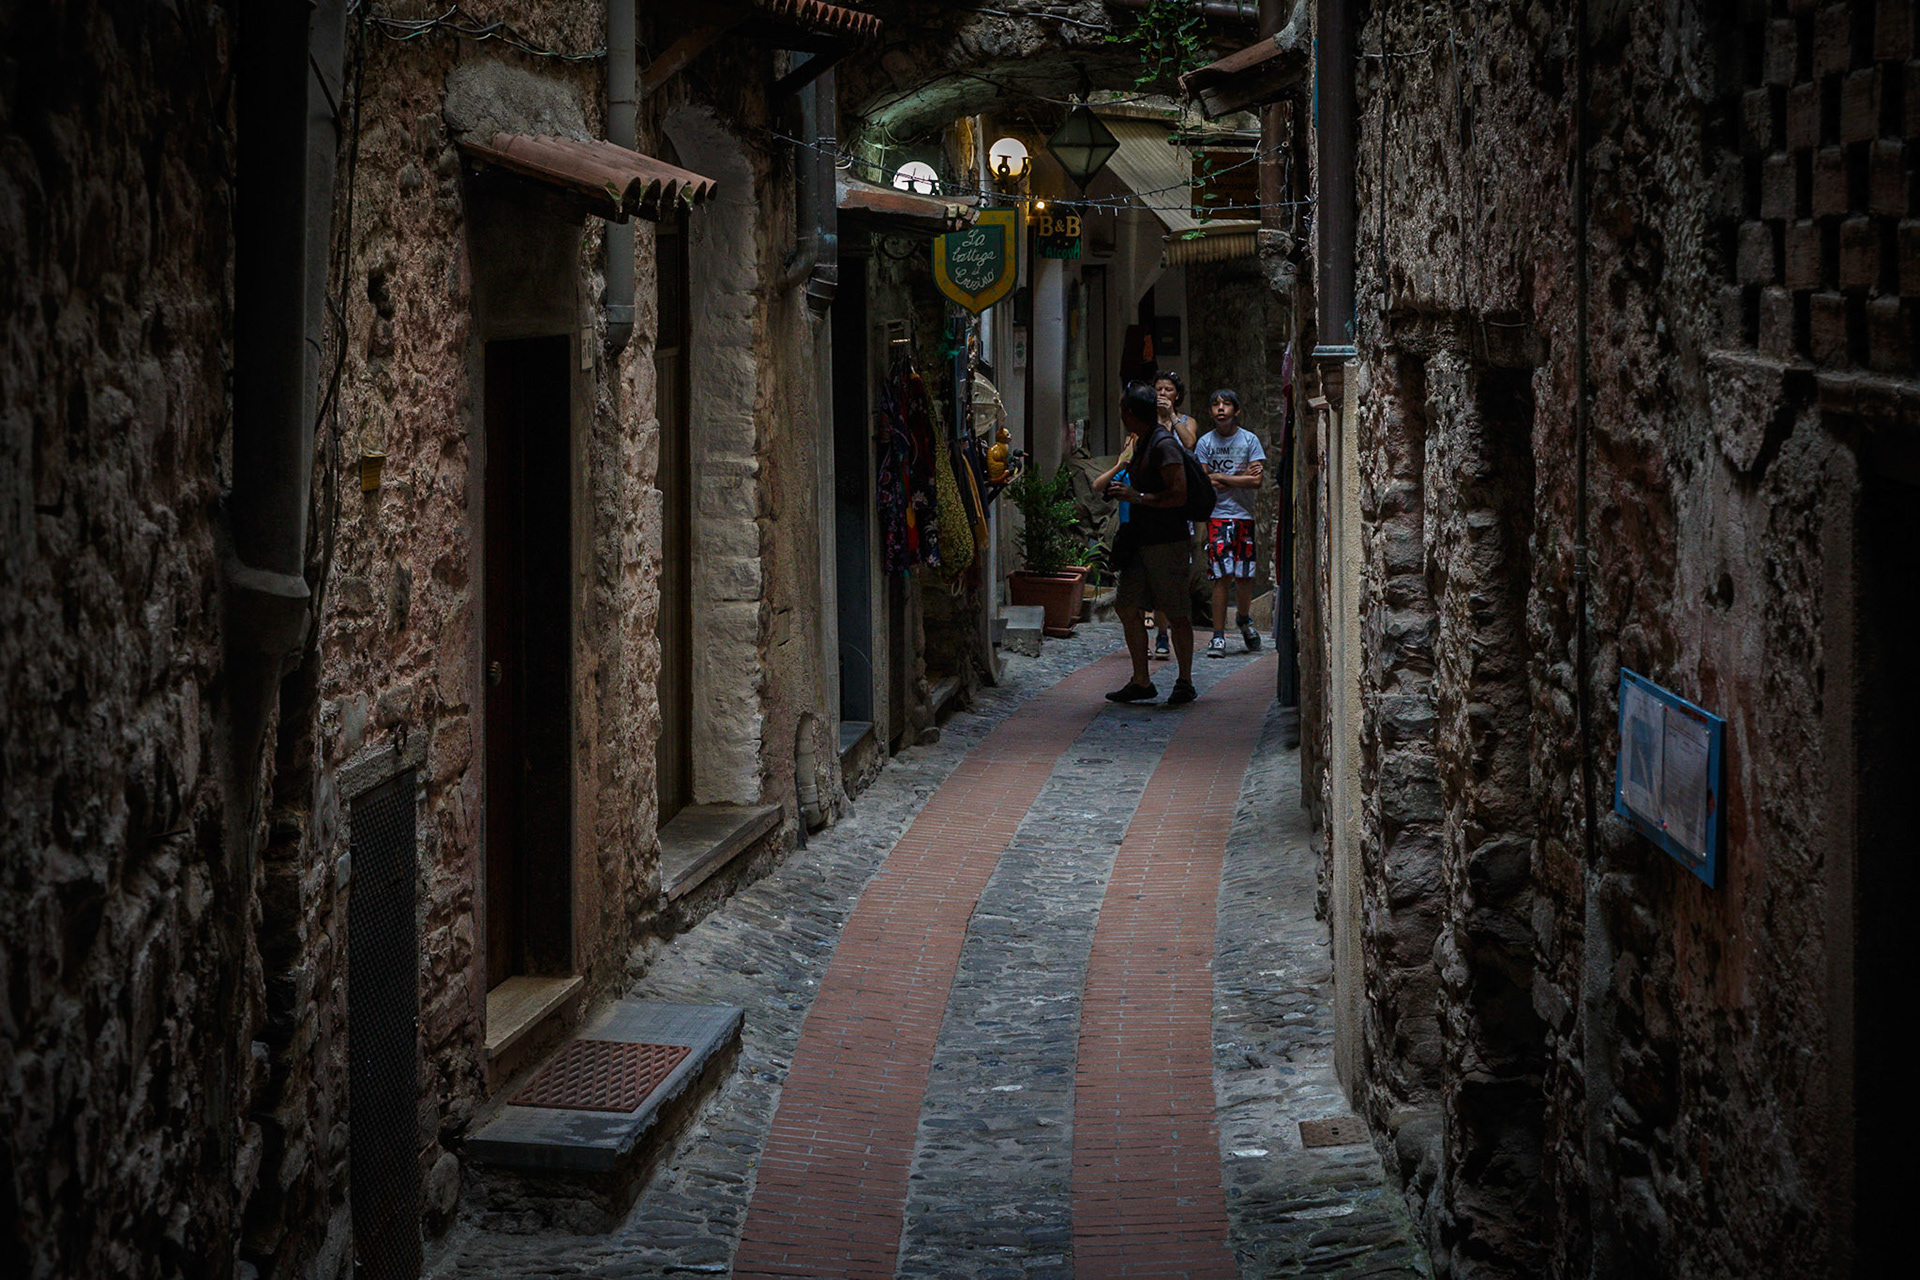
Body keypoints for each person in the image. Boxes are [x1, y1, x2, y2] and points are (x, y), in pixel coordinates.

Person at [1094, 382, 1197, 706]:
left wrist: (1137, 497)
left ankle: (1184, 681)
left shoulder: (1164, 445)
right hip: (1140, 541)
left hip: (1166, 542)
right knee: (1127, 606)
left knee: (1176, 611)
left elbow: (1178, 494)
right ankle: (1141, 680)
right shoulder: (1140, 443)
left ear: (1129, 413)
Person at [1194, 389, 1266, 656]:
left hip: (1244, 516)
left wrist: (1221, 478)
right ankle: (1218, 635)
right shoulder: (1205, 443)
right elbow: (1203, 483)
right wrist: (1239, 476)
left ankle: (1244, 619)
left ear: (1236, 410)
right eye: (1215, 404)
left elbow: (1256, 481)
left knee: (1244, 574)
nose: (1220, 408)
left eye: (1226, 404)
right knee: (1221, 575)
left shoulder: (1250, 441)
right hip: (1217, 516)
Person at [1148, 371, 1199, 662]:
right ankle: (1161, 631)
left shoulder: (1186, 421)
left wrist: (1172, 418)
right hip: (1154, 501)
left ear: (1176, 395)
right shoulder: (1148, 421)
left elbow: (1189, 443)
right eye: (1158, 389)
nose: (1162, 394)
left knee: (1175, 569)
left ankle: (1175, 626)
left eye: (1168, 389)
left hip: (1180, 504)